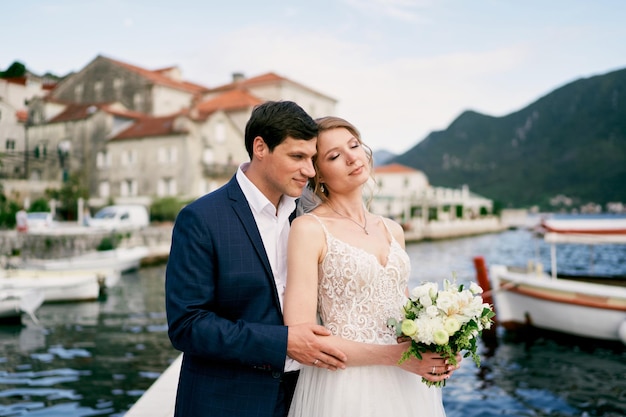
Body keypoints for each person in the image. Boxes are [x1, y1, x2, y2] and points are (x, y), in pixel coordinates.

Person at [164, 101, 349, 417]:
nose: (309, 170)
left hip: (305, 397)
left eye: (312, 158)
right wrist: (282, 342)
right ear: (260, 147)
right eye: (297, 157)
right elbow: (187, 325)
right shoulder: (201, 218)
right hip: (226, 403)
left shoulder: (308, 218)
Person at [284, 116, 454, 417]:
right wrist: (396, 357)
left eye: (354, 145)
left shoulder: (392, 229)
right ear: (318, 174)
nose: (352, 157)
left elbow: (403, 312)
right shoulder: (309, 229)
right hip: (346, 384)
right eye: (335, 156)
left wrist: (440, 346)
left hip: (407, 381)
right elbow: (301, 337)